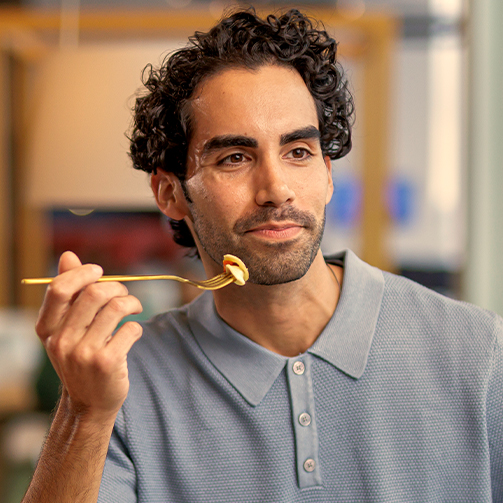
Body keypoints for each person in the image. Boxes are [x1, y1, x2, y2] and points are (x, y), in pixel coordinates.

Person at [23, 8, 502, 503]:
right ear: (170, 193)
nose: (276, 190)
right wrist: (84, 413)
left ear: (328, 173)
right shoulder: (124, 383)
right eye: (235, 158)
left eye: (298, 151)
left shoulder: (480, 353)